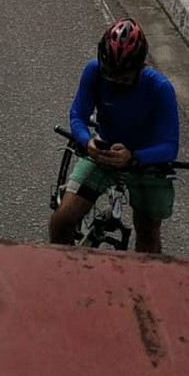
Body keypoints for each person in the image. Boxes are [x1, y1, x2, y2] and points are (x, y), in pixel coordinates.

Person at [49, 19, 180, 255]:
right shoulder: (93, 71)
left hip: (145, 162)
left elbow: (169, 146)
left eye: (124, 77)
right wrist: (86, 141)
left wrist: (133, 157)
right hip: (103, 152)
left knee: (148, 236)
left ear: (140, 67)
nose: (116, 81)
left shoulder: (161, 88)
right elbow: (78, 114)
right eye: (110, 74)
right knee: (62, 220)